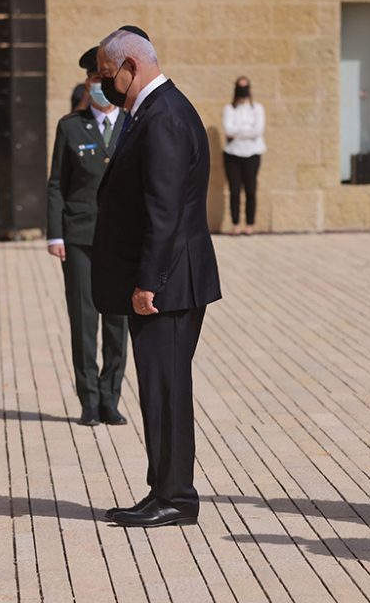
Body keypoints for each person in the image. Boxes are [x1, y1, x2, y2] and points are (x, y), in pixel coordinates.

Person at [92, 28, 222, 528]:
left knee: (165, 390)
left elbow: (164, 211)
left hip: (168, 284)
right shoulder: (154, 110)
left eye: (108, 75)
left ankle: (175, 496)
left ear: (131, 65)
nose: (106, 85)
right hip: (170, 278)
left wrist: (148, 281)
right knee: (160, 389)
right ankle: (165, 489)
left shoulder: (163, 117)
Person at [46, 47, 129, 427]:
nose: (99, 86)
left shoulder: (132, 123)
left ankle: (111, 397)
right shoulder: (70, 126)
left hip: (120, 240)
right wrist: (55, 234)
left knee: (118, 321)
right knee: (84, 319)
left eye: (104, 80)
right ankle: (89, 400)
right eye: (94, 80)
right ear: (87, 83)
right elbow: (56, 185)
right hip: (79, 235)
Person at [222, 76, 266, 235]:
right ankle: (235, 224)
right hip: (232, 154)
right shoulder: (229, 108)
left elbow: (258, 131)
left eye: (245, 86)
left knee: (250, 190)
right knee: (234, 191)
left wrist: (237, 132)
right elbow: (228, 130)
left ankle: (250, 224)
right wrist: (247, 132)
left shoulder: (257, 108)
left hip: (252, 153)